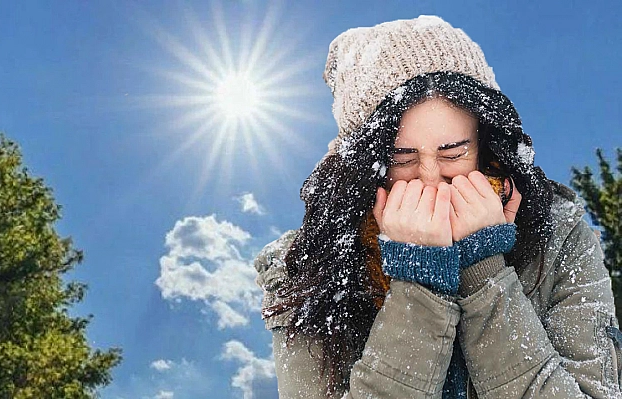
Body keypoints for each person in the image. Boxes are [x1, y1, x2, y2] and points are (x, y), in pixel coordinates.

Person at [254, 16, 622, 399]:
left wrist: (483, 271)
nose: (429, 179)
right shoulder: (305, 271)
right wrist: (420, 281)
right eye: (402, 158)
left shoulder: (560, 240)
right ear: (367, 166)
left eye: (453, 153)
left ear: (484, 147)